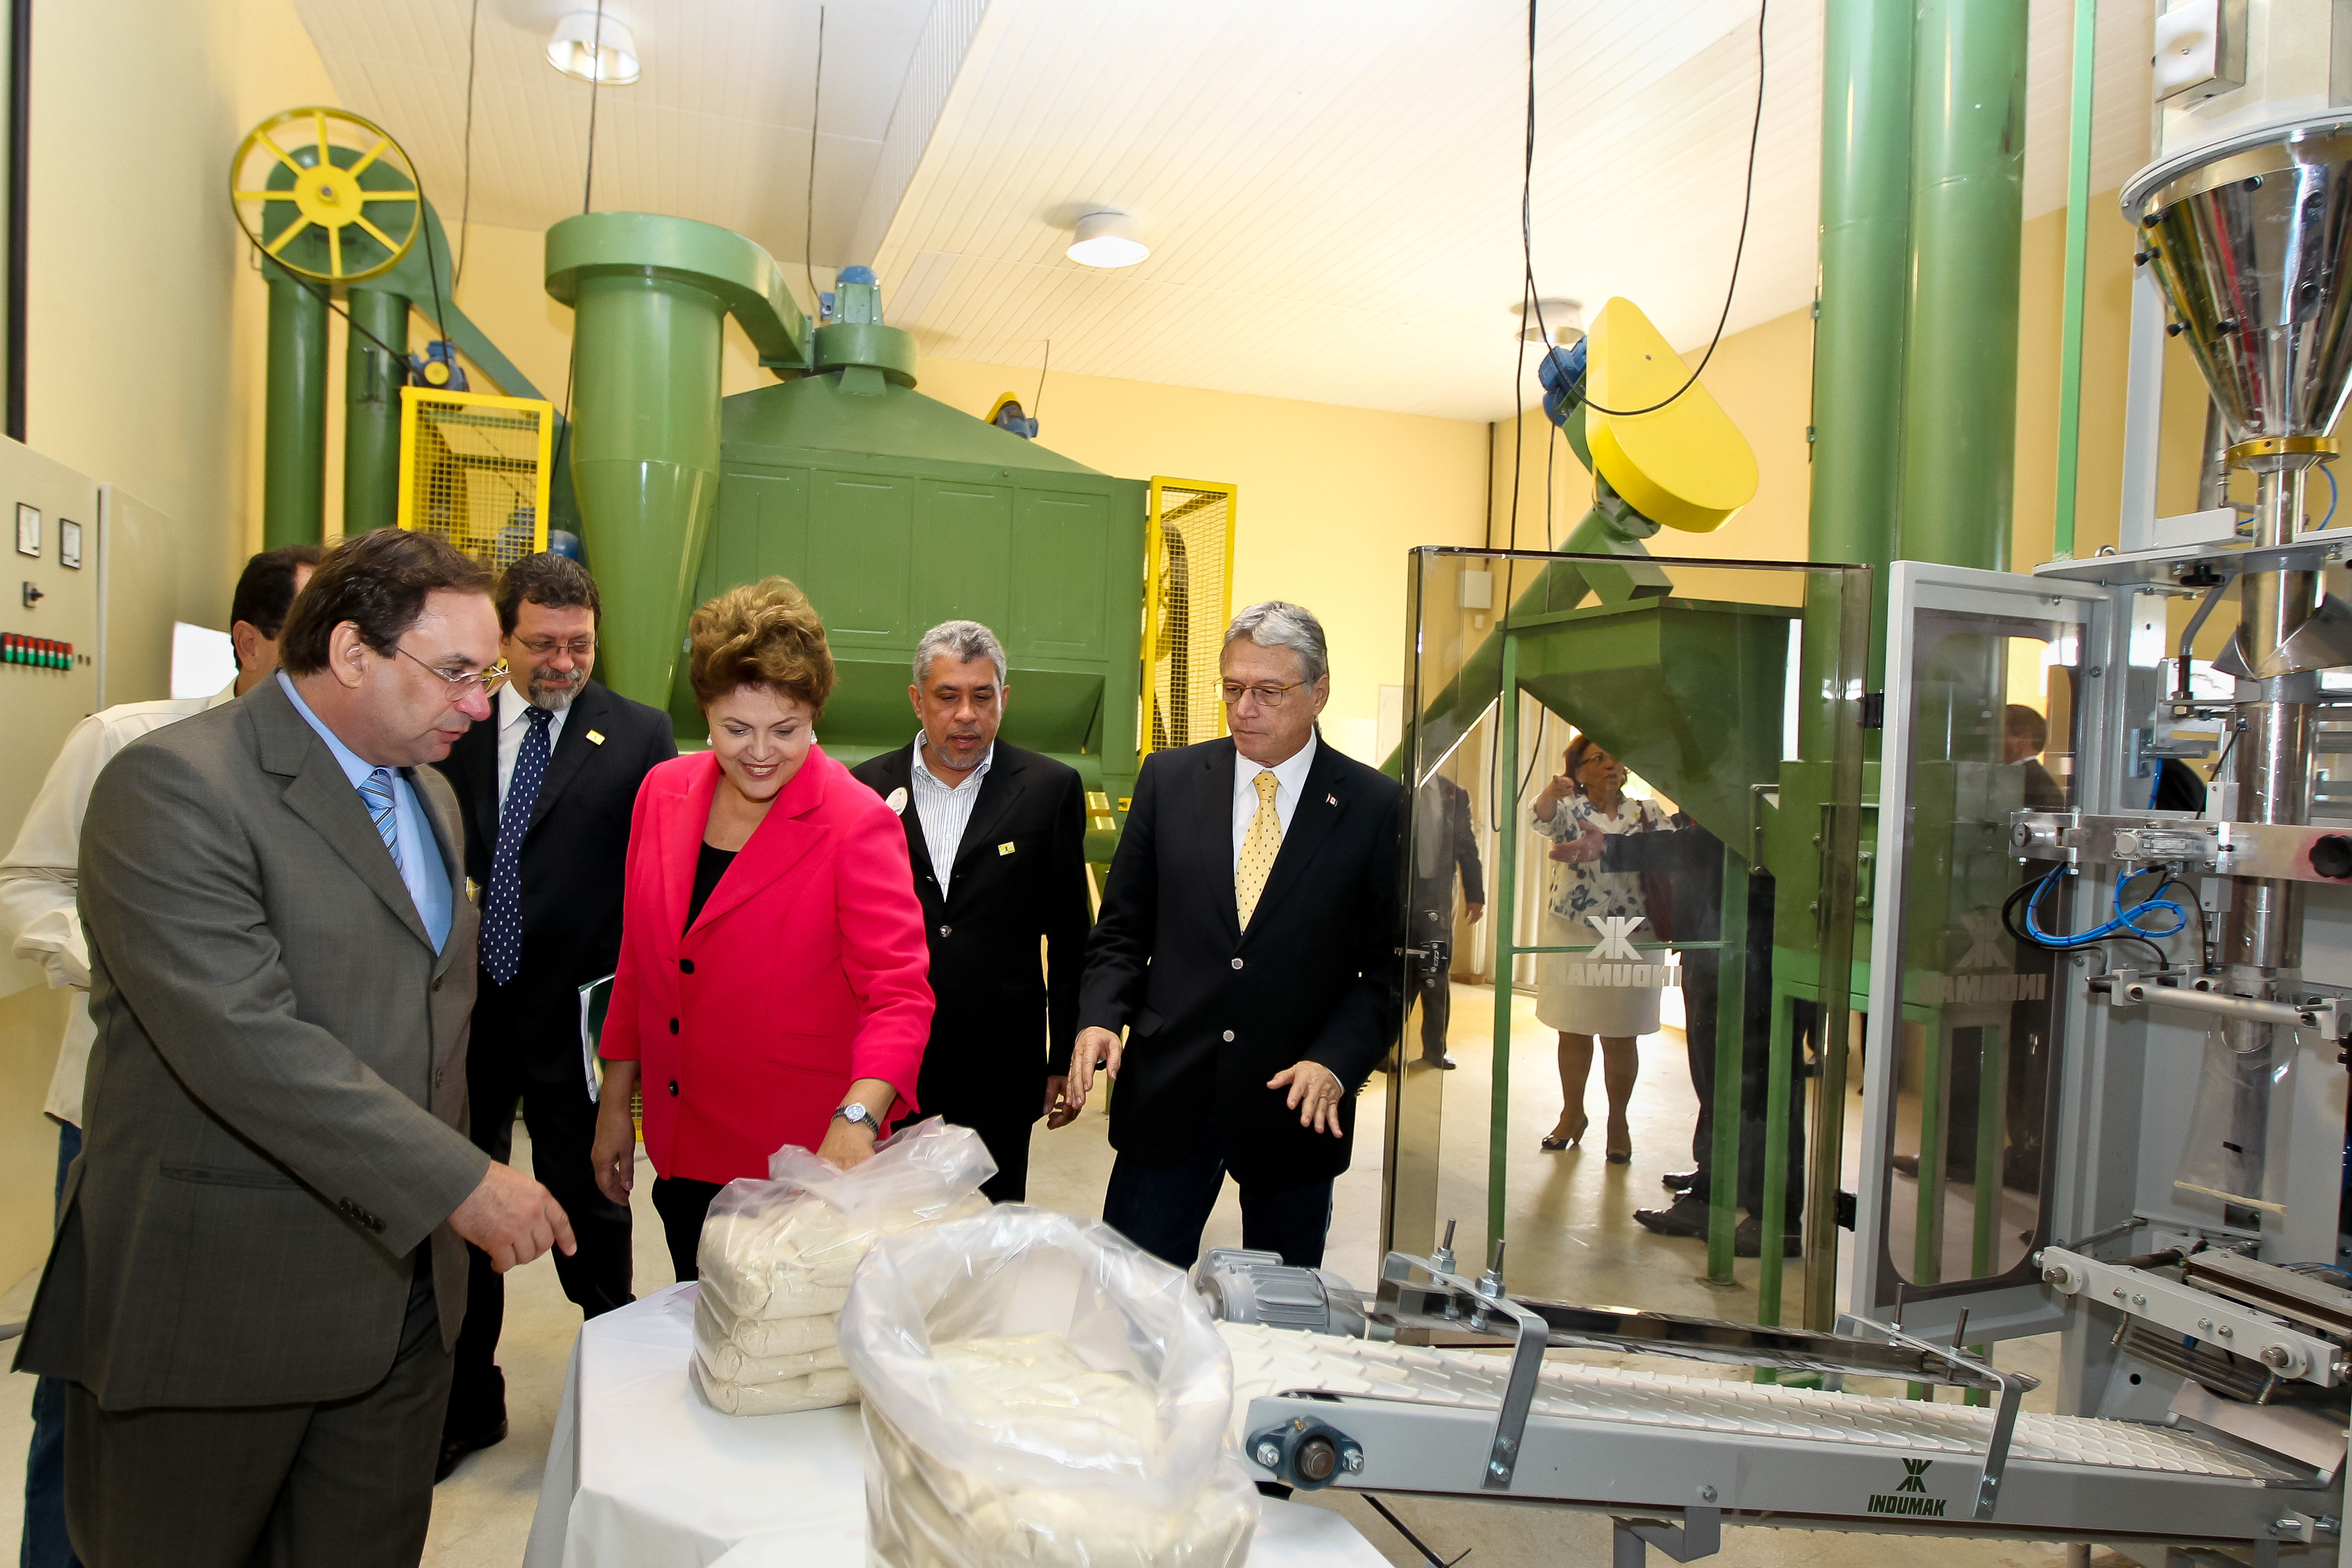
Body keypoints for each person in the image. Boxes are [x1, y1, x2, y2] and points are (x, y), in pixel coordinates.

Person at [15, 528, 575, 1567]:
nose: (482, 702)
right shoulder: (176, 786)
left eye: (488, 672)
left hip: (400, 1315)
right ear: (354, 651)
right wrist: (464, 1181)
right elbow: (243, 1039)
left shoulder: (432, 794)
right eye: (457, 672)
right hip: (219, 1310)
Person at [0, 543, 318, 1568]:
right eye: (308, 641)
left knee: (242, 1394)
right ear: (249, 640)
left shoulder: (353, 770)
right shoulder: (125, 742)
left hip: (285, 1129)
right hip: (126, 1113)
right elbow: (28, 884)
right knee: (93, 1381)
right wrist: (129, 961)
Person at [590, 576, 933, 1280]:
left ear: (815, 715)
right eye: (735, 729)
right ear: (704, 710)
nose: (760, 754)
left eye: (786, 730)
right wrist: (615, 1104)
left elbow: (898, 995)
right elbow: (642, 961)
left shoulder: (855, 821)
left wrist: (858, 1120)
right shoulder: (663, 793)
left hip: (801, 1164)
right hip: (684, 1144)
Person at [428, 552, 676, 1480]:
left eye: (580, 645)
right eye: (542, 645)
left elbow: (656, 890)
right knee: (461, 1213)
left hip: (580, 1024)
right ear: (503, 639)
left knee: (596, 1211)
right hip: (465, 1018)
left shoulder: (641, 735)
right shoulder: (457, 718)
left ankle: (613, 1410)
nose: (563, 663)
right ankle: (464, 1401)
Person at [1067, 601, 1401, 1270]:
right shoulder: (1170, 781)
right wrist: (1101, 1015)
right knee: (1129, 1296)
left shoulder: (1376, 807)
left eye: (1268, 691)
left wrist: (1336, 1061)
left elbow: (1388, 968)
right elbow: (1122, 929)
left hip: (1294, 1101)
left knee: (1281, 1317)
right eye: (1232, 688)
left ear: (1318, 691)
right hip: (1169, 1091)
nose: (1244, 707)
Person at [850, 620, 1091, 1202]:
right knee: (888, 1235)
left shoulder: (1048, 789)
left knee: (987, 1241)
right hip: (889, 1066)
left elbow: (1069, 934)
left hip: (1000, 1067)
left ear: (1003, 699)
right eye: (947, 696)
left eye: (982, 697)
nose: (966, 714)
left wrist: (1062, 1054)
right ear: (916, 700)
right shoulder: (864, 790)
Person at [1575, 817, 1804, 1259]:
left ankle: (1773, 1218)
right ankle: (1716, 1187)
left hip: (1751, 944)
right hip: (1715, 939)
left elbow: (1705, 843)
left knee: (1756, 1088)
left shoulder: (1752, 780)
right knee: (1716, 1078)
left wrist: (1614, 848)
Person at [1528, 735, 1670, 1164]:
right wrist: (1552, 791)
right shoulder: (1569, 808)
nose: (1610, 765)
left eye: (1615, 758)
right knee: (1572, 1028)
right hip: (1575, 931)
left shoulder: (1647, 812)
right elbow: (1541, 817)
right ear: (1580, 770)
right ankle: (1572, 1114)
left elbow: (1670, 856)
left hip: (1634, 934)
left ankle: (1619, 1122)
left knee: (1621, 1033)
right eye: (1598, 759)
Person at [1408, 772, 1484, 1070]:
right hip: (1399, 895)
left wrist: (1475, 894)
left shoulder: (1455, 793)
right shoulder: (1393, 786)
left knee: (1436, 972)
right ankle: (1382, 1048)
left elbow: (1467, 846)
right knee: (1396, 977)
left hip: (1438, 897)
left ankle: (1435, 1049)